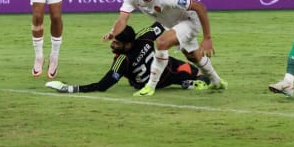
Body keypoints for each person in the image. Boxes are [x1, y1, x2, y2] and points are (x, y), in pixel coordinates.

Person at [102, 0, 227, 96]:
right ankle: (217, 81)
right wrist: (113, 33)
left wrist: (207, 38)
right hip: (172, 24)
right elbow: (123, 19)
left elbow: (200, 7)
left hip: (189, 20)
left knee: (162, 43)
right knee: (193, 56)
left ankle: (150, 86)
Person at [44, 24, 209, 93]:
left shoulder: (122, 61)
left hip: (146, 83)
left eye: (116, 42)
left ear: (128, 44)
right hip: (169, 71)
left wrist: (69, 88)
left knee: (196, 76)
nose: (112, 44)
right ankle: (187, 83)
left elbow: (102, 86)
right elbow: (163, 23)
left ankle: (187, 83)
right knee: (201, 76)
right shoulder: (144, 37)